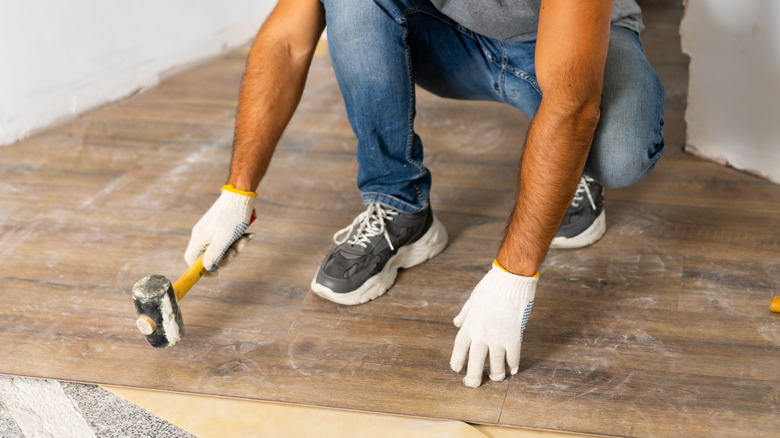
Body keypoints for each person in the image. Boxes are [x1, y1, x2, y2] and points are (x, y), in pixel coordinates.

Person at [184, 0, 664, 388]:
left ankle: (571, 165)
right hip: (451, 39)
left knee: (621, 149)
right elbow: (288, 40)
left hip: (575, 47)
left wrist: (513, 276)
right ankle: (400, 206)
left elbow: (572, 103)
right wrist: (236, 192)